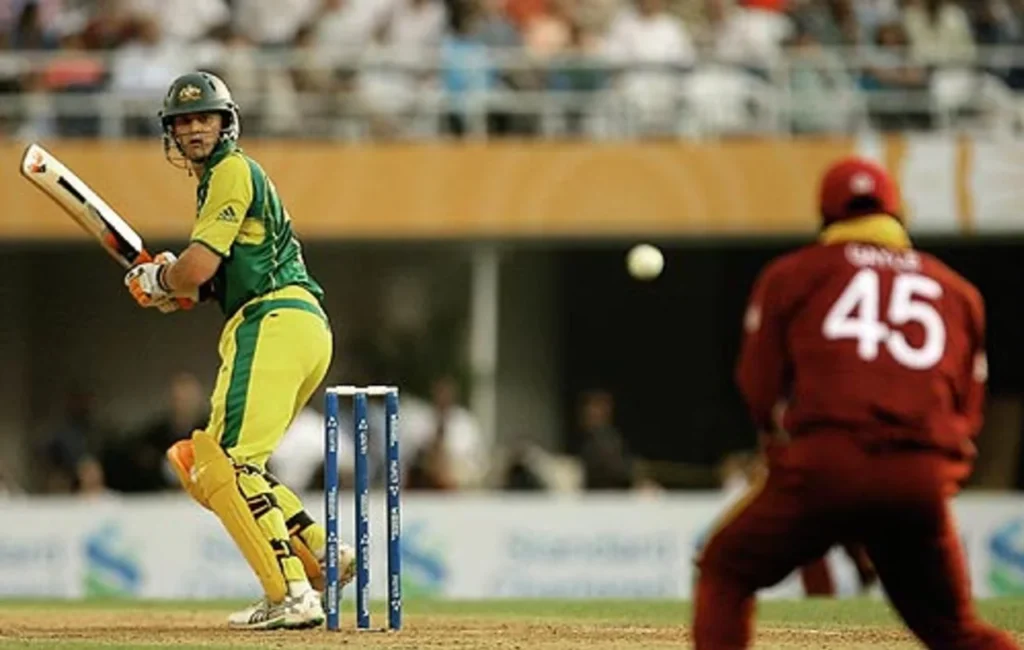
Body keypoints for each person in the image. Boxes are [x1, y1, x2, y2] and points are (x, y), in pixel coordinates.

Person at [693, 156, 1019, 650]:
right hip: (919, 478)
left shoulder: (793, 274)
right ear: (897, 213)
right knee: (955, 631)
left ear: (825, 215)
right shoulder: (959, 292)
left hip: (828, 460)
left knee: (725, 570)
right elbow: (969, 408)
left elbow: (757, 382)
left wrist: (777, 444)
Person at [122, 71, 354, 630]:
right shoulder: (222, 184)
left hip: (272, 320)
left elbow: (195, 270)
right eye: (185, 120)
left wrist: (164, 278)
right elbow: (204, 283)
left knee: (224, 461)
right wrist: (167, 287)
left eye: (205, 117)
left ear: (227, 124)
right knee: (211, 464)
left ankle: (290, 592)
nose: (195, 127)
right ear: (172, 134)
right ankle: (321, 550)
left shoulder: (230, 171)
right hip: (299, 327)